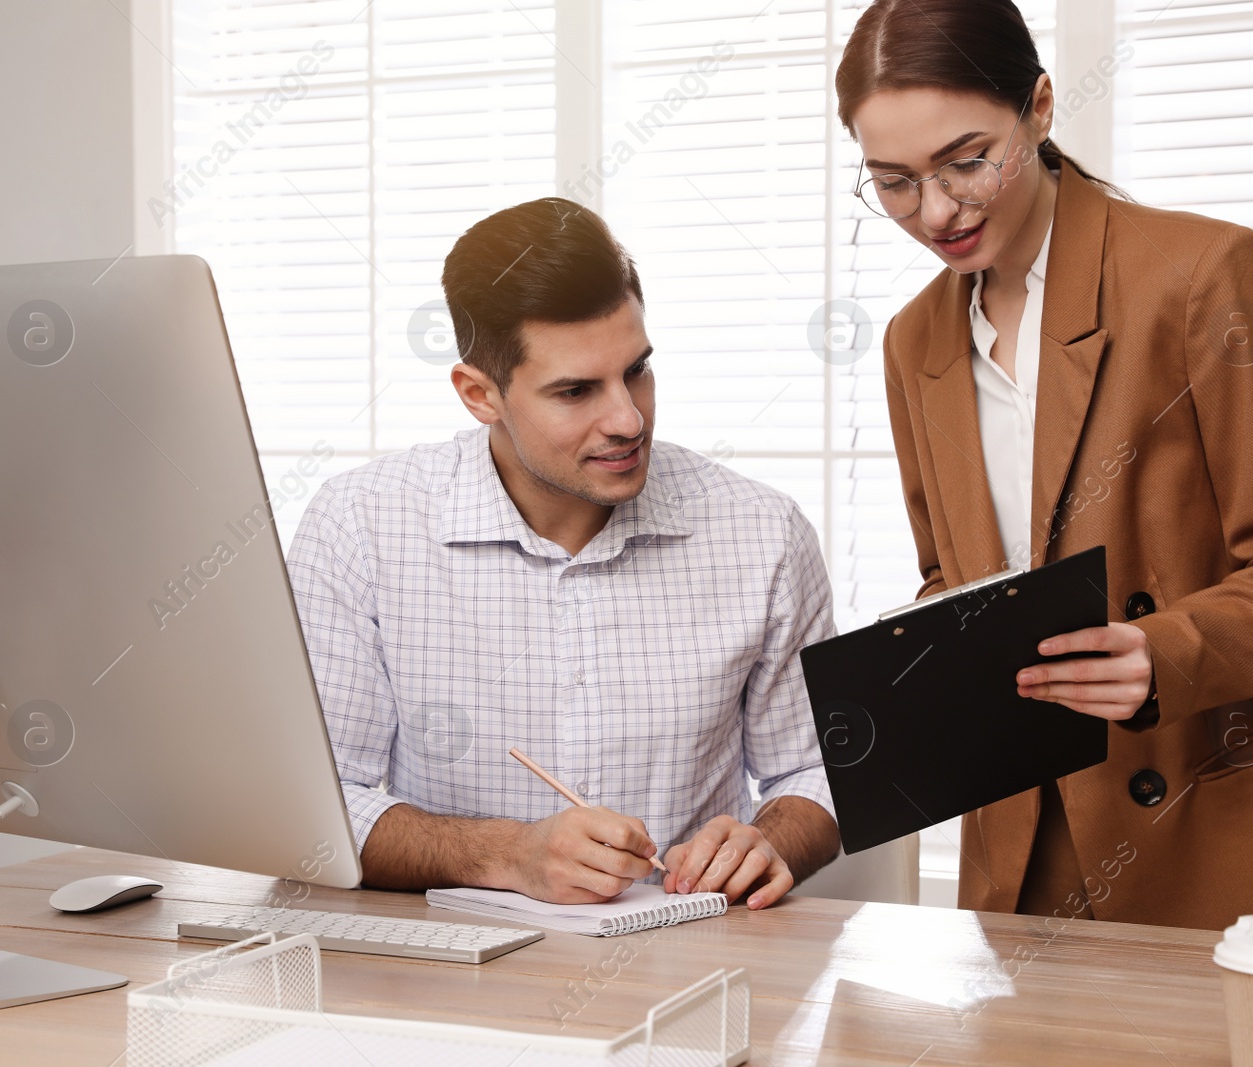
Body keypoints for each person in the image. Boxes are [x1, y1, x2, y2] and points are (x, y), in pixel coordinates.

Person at [838, 0, 1253, 944]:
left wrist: (1163, 654)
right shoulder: (914, 343)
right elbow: (955, 574)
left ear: (1043, 106)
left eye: (968, 160)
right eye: (893, 182)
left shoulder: (1202, 274)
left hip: (1231, 835)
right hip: (1029, 849)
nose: (935, 212)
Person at [287, 198, 840, 909]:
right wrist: (510, 856)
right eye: (576, 391)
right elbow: (322, 804)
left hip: (692, 970)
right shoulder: (359, 526)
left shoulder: (764, 532)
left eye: (636, 370)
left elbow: (818, 767)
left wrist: (769, 839)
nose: (628, 419)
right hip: (446, 978)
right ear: (479, 394)